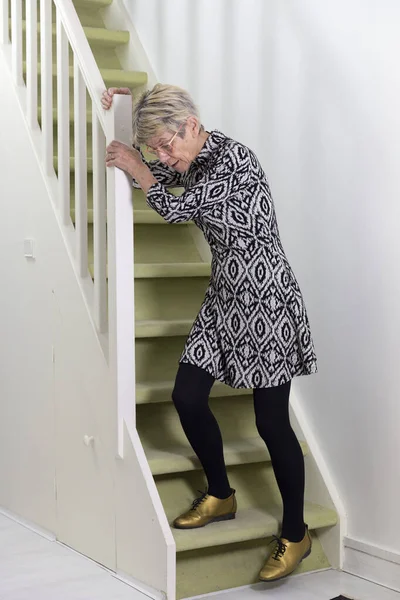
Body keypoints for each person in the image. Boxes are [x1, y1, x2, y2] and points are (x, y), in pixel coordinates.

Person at [101, 84, 318, 582]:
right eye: (154, 145)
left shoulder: (234, 161)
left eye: (165, 144)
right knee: (188, 395)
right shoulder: (190, 158)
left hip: (266, 296)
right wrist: (130, 108)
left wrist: (137, 166)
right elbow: (154, 175)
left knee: (271, 423)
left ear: (192, 127)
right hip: (225, 294)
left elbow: (175, 207)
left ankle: (295, 533)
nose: (161, 155)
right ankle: (221, 493)